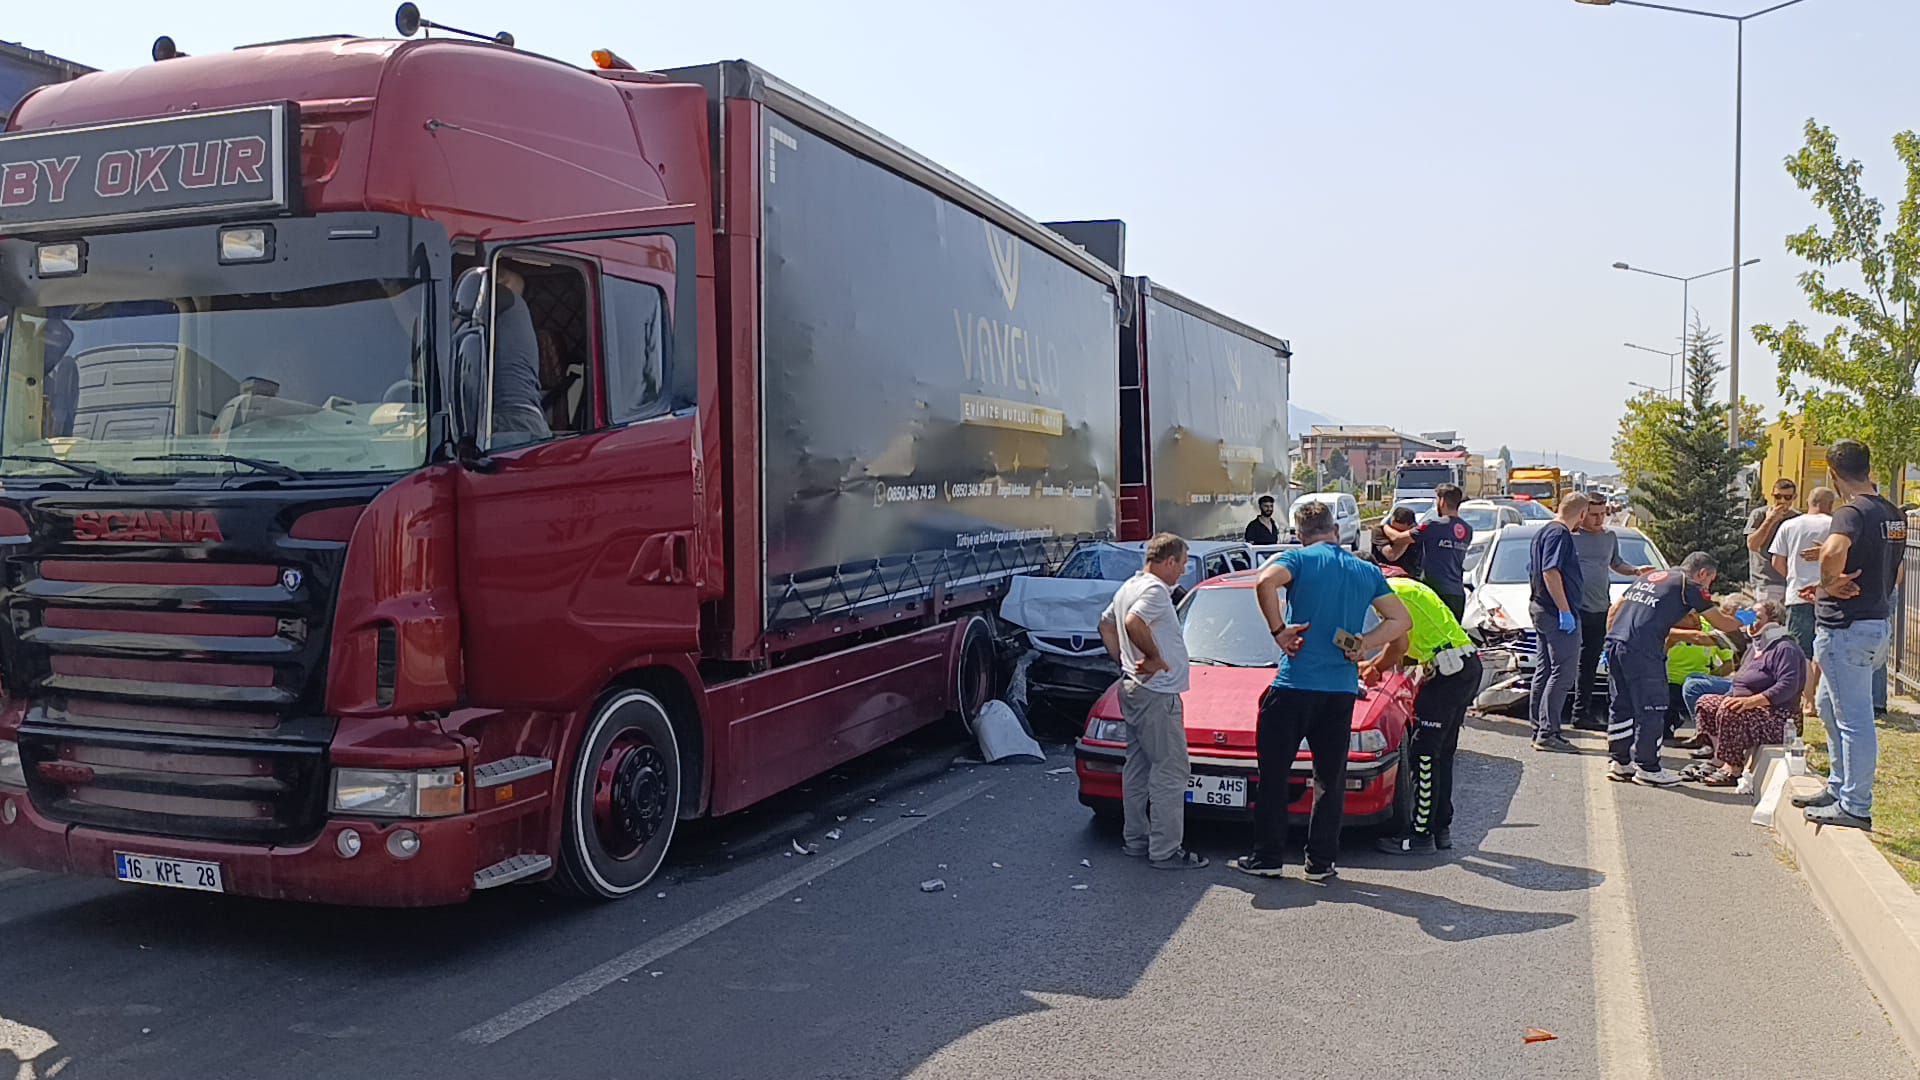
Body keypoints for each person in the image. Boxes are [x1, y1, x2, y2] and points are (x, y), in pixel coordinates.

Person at [1230, 500, 1412, 882]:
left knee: (1274, 774)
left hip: (1294, 685)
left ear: (1299, 534)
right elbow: (1401, 620)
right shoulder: (1366, 570)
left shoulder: (1298, 560)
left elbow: (1264, 582)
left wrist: (1279, 631)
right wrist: (1365, 644)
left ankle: (1268, 857)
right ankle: (1321, 862)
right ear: (1336, 530)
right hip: (1341, 689)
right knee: (1330, 778)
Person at [1794, 440, 1907, 831]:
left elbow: (1834, 552)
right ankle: (1839, 788)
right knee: (1828, 707)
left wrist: (1828, 580)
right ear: (1868, 467)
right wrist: (1833, 567)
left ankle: (1855, 805)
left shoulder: (1850, 512)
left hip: (1846, 629)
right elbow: (1893, 571)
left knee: (1854, 721)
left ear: (1833, 474)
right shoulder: (1891, 513)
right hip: (1874, 625)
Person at [1097, 533, 1207, 869]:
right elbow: (1133, 622)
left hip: (1134, 686)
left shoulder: (1129, 586)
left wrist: (1124, 662)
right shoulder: (1156, 590)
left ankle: (1136, 839)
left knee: (1138, 766)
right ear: (1169, 561)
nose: (1183, 572)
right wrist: (1154, 657)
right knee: (1171, 770)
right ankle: (1165, 850)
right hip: (1158, 692)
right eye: (1183, 564)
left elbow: (1106, 625)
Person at [1366, 568, 1483, 856]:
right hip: (1461, 667)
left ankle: (1420, 835)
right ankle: (1440, 827)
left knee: (1425, 753)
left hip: (1448, 673)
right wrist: (1375, 665)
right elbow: (1407, 646)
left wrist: (1372, 667)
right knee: (1442, 753)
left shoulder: (1389, 594)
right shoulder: (1407, 587)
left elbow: (1399, 645)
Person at [1603, 552, 1745, 786]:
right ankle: (1648, 768)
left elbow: (1615, 609)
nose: (1709, 586)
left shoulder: (1650, 577)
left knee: (1621, 704)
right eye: (1710, 580)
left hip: (1616, 642)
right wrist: (1748, 626)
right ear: (1703, 573)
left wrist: (1611, 638)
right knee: (1653, 707)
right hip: (1644, 649)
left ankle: (1620, 763)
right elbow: (1721, 623)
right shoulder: (1689, 586)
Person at [1681, 601, 1806, 786]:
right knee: (1706, 702)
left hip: (1778, 717)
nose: (1751, 621)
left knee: (1731, 710)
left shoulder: (1785, 648)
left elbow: (1788, 686)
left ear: (1774, 621)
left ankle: (1733, 768)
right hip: (1754, 710)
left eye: (1757, 617)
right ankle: (1719, 758)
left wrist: (1751, 702)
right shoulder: (1755, 648)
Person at [1568, 498, 1651, 731]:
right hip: (1574, 608)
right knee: (1566, 663)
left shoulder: (1609, 537)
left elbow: (1616, 563)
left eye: (1602, 514)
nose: (1599, 519)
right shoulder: (1570, 537)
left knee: (1590, 663)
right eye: (1594, 514)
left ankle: (1581, 713)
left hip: (1600, 608)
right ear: (1582, 514)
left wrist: (1636, 571)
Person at [1528, 492, 1590, 753]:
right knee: (1563, 673)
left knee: (1545, 671)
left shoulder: (1544, 531)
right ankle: (1548, 732)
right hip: (1555, 612)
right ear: (1582, 514)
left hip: (1542, 608)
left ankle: (1540, 727)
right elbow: (1550, 571)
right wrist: (1565, 610)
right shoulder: (1559, 534)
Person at [1771, 485, 1834, 713]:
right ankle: (1821, 695)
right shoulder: (1835, 526)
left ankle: (1808, 701)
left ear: (1809, 501)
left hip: (1798, 595)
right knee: (1824, 647)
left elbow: (1777, 562)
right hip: (1829, 594)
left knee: (1802, 651)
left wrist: (1793, 578)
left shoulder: (1790, 525)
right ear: (1831, 504)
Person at [1382, 484, 1473, 619]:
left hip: (1435, 592)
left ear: (1442, 501)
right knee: (1454, 630)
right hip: (1457, 593)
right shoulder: (1467, 529)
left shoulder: (1433, 525)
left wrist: (1384, 526)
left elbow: (1398, 538)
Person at [490, 265, 553, 443]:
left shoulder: (506, 298)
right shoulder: (510, 316)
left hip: (509, 420)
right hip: (518, 419)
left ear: (503, 282)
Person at [1745, 478, 1801, 606]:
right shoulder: (1759, 514)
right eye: (1778, 497)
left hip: (1791, 581)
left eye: (1787, 497)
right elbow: (1753, 545)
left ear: (1794, 497)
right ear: (1772, 495)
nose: (1782, 501)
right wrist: (1770, 520)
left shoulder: (1797, 519)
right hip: (1766, 581)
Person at [1368, 506, 1425, 579]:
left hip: (1410, 576)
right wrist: (1405, 538)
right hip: (1385, 575)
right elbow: (1391, 555)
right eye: (1394, 529)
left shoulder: (1417, 533)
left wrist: (1407, 535)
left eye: (1402, 531)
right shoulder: (1379, 531)